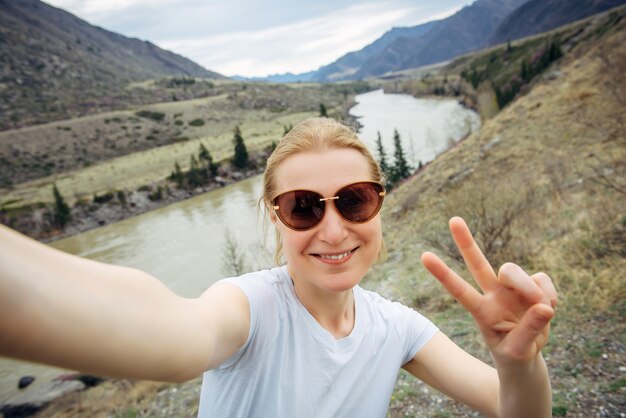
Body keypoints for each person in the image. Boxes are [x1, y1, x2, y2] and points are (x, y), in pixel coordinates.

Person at [0, 117, 557, 417]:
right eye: (304, 207)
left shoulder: (398, 328)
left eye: (355, 199)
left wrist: (519, 364)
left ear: (380, 206)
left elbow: (516, 411)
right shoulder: (249, 308)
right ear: (275, 218)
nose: (333, 230)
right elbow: (175, 333)